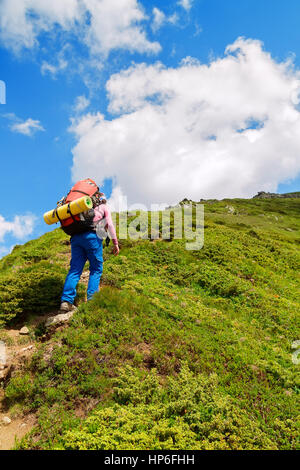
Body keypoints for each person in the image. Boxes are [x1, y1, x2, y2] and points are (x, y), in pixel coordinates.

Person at [60, 196, 119, 312]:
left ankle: (66, 302)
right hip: (93, 237)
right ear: (102, 200)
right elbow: (110, 224)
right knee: (96, 269)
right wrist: (115, 243)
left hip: (76, 238)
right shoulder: (103, 207)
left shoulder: (81, 206)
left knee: (75, 270)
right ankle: (92, 301)